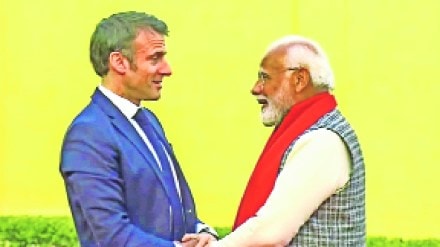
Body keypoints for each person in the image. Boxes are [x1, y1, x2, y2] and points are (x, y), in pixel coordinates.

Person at [59, 11, 217, 247]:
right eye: (155, 58)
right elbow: (110, 236)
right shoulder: (88, 134)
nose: (167, 69)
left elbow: (171, 204)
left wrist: (203, 232)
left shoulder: (147, 120)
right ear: (119, 62)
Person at [201, 35, 366, 246]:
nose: (255, 88)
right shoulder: (312, 128)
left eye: (264, 77)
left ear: (299, 80)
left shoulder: (323, 140)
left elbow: (272, 232)